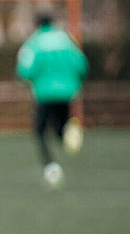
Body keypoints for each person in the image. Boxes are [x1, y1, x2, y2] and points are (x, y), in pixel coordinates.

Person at [16, 12, 88, 188]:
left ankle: (50, 166)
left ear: (38, 24)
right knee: (60, 127)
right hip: (67, 91)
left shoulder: (35, 41)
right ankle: (70, 133)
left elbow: (24, 70)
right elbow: (82, 64)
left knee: (40, 130)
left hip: (44, 92)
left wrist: (35, 79)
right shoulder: (66, 39)